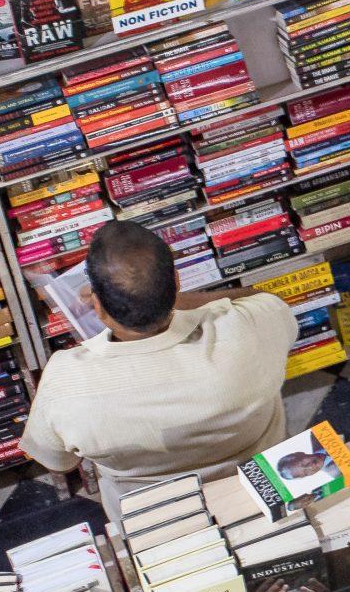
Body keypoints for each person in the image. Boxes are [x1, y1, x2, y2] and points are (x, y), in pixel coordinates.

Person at [18, 220, 300, 522]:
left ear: (97, 307)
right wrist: (161, 298)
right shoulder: (248, 327)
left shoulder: (64, 381)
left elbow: (59, 462)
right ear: (176, 282)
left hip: (151, 519)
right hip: (265, 490)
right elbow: (263, 298)